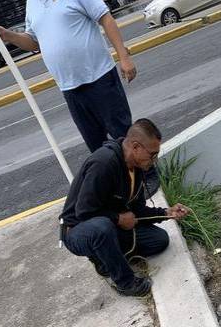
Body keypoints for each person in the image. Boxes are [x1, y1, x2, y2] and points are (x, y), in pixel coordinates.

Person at [0, 0, 159, 194]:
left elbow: (106, 19)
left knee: (123, 134)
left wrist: (124, 56)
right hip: (69, 87)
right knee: (97, 145)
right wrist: (6, 35)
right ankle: (117, 188)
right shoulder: (33, 3)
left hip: (100, 76)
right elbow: (33, 41)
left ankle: (147, 176)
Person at [60, 118, 190, 296]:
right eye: (152, 154)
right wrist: (118, 218)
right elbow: (84, 212)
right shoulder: (104, 163)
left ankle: (109, 256)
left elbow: (137, 210)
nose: (154, 160)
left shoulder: (135, 167)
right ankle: (125, 282)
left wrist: (167, 213)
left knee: (159, 240)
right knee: (101, 229)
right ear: (136, 147)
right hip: (78, 231)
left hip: (109, 225)